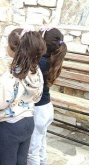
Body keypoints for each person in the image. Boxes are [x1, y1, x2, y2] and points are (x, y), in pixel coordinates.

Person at [0, 29, 46, 165]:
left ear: (16, 50)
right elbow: (38, 96)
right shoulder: (36, 71)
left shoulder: (12, 75)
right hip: (28, 121)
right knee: (21, 160)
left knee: (7, 161)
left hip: (11, 125)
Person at [28, 28, 67, 165]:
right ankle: (43, 161)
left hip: (38, 110)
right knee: (41, 142)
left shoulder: (39, 63)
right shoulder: (52, 60)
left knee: (32, 150)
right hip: (47, 107)